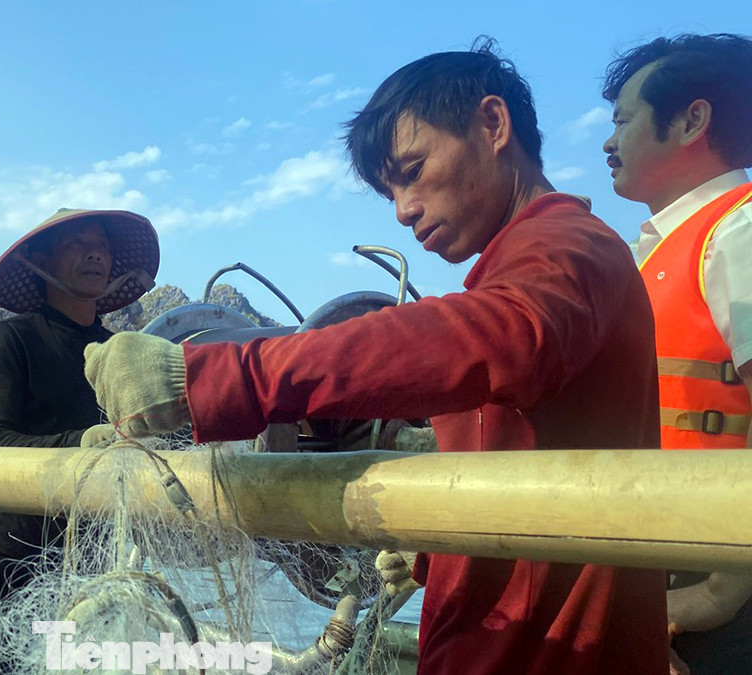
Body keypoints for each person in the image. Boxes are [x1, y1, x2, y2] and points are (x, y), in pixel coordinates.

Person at [84, 42, 668, 675]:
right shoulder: (517, 272)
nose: (402, 210)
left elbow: (502, 338)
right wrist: (427, 550)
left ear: (494, 125)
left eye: (412, 169)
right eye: (390, 189)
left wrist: (208, 377)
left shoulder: (570, 249)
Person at [0, 208, 158, 673]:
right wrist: (83, 442)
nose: (96, 251)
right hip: (19, 560)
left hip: (101, 560)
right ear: (39, 260)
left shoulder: (120, 353)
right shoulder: (9, 340)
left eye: (103, 244)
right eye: (78, 242)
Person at [601, 33, 752, 675]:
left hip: (719, 570)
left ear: (692, 120)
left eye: (623, 121)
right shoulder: (658, 252)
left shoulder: (737, 233)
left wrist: (724, 586)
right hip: (658, 556)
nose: (608, 143)